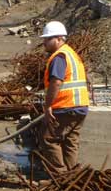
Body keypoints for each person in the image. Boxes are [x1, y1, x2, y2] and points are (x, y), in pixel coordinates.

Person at [39, 21, 90, 174]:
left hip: (65, 106)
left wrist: (48, 106)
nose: (44, 42)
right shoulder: (71, 54)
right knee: (70, 141)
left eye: (48, 39)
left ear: (59, 38)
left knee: (48, 138)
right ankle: (72, 176)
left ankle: (60, 176)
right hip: (80, 106)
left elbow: (56, 82)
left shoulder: (59, 57)